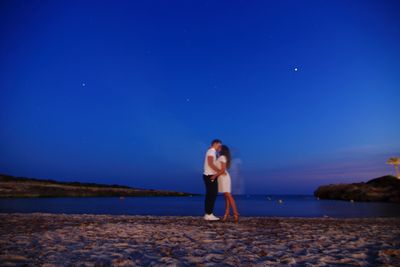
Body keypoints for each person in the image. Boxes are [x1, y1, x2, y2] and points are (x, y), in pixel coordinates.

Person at [212, 145, 239, 223]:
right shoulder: (220, 157)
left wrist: (214, 176)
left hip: (223, 177)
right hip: (221, 177)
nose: (218, 148)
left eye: (219, 147)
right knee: (226, 196)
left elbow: (223, 170)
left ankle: (235, 213)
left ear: (222, 149)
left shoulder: (222, 157)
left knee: (228, 195)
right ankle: (226, 214)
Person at [203, 139, 222, 221]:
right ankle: (209, 214)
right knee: (212, 195)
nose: (220, 146)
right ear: (215, 144)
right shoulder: (211, 151)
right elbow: (210, 163)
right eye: (219, 145)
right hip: (210, 176)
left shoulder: (211, 151)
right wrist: (219, 171)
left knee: (210, 195)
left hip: (209, 175)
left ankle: (208, 214)